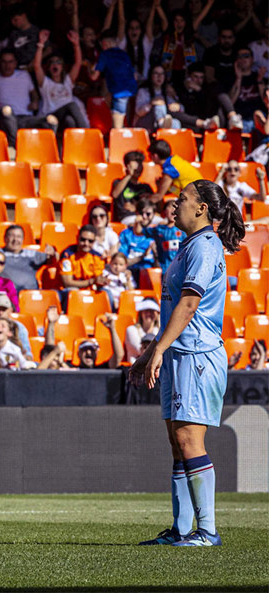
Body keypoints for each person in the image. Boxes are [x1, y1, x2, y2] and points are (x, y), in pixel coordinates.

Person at [130, 179, 245, 546]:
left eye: (182, 199)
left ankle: (207, 531)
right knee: (177, 441)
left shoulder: (205, 247)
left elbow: (189, 304)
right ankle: (181, 530)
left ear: (202, 209)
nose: (174, 203)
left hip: (197, 354)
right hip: (181, 352)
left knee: (189, 439)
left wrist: (158, 350)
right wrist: (150, 353)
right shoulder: (189, 246)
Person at [0, 48, 56, 148]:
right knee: (7, 110)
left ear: (15, 63)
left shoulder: (24, 75)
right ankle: (14, 148)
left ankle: (47, 152)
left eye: (10, 62)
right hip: (7, 119)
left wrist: (34, 101)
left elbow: (34, 94)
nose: (7, 65)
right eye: (4, 62)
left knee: (51, 120)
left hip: (26, 118)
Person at [33, 29, 88, 137]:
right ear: (48, 68)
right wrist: (41, 44)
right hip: (50, 116)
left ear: (62, 67)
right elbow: (37, 66)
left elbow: (77, 63)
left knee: (70, 121)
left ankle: (71, 149)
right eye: (52, 62)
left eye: (58, 62)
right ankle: (87, 135)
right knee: (72, 105)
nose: (55, 65)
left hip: (65, 117)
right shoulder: (45, 83)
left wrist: (76, 44)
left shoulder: (68, 81)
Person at [91, 30, 138, 129]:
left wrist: (89, 68)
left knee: (118, 126)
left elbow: (94, 76)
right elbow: (135, 76)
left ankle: (119, 139)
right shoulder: (124, 54)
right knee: (124, 120)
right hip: (131, 91)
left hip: (119, 92)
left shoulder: (104, 55)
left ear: (105, 43)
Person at [59, 225, 107, 307]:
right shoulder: (67, 255)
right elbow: (67, 283)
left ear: (94, 241)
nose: (86, 244)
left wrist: (103, 281)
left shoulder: (97, 257)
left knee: (107, 293)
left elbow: (98, 278)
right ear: (77, 238)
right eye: (83, 240)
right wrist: (91, 281)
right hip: (69, 291)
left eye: (90, 241)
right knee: (73, 291)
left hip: (90, 290)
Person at [0, 225, 56, 292]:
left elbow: (53, 260)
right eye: (12, 236)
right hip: (5, 295)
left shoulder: (32, 254)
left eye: (19, 237)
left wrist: (53, 253)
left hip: (30, 294)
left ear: (22, 239)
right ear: (5, 238)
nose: (15, 240)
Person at [133, 65, 182, 131]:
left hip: (162, 122)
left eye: (162, 74)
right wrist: (151, 103)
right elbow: (138, 112)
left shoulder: (168, 91)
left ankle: (167, 137)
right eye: (156, 73)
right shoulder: (143, 91)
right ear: (151, 75)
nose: (159, 76)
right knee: (159, 103)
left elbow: (182, 109)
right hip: (145, 122)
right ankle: (161, 122)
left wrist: (177, 106)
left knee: (176, 123)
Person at [144, 199, 186, 274]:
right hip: (164, 270)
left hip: (181, 270)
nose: (173, 209)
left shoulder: (184, 229)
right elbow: (140, 230)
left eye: (175, 207)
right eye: (170, 207)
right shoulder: (159, 229)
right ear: (165, 212)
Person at [111, 151, 154, 223]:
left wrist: (137, 207)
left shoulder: (146, 187)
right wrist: (129, 175)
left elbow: (156, 207)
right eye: (135, 164)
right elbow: (115, 194)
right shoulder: (119, 183)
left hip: (146, 217)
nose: (138, 168)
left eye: (140, 164)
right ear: (127, 166)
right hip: (127, 217)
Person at [118, 200, 159, 272]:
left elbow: (159, 268)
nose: (144, 216)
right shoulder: (126, 234)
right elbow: (120, 263)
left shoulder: (157, 235)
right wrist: (142, 256)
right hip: (129, 273)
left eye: (148, 214)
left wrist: (156, 255)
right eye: (141, 213)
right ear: (136, 213)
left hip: (149, 275)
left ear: (153, 215)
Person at [124, 297, 161, 363]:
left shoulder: (161, 331)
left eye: (152, 311)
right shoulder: (131, 330)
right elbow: (141, 350)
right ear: (141, 313)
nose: (149, 313)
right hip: (135, 369)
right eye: (146, 310)